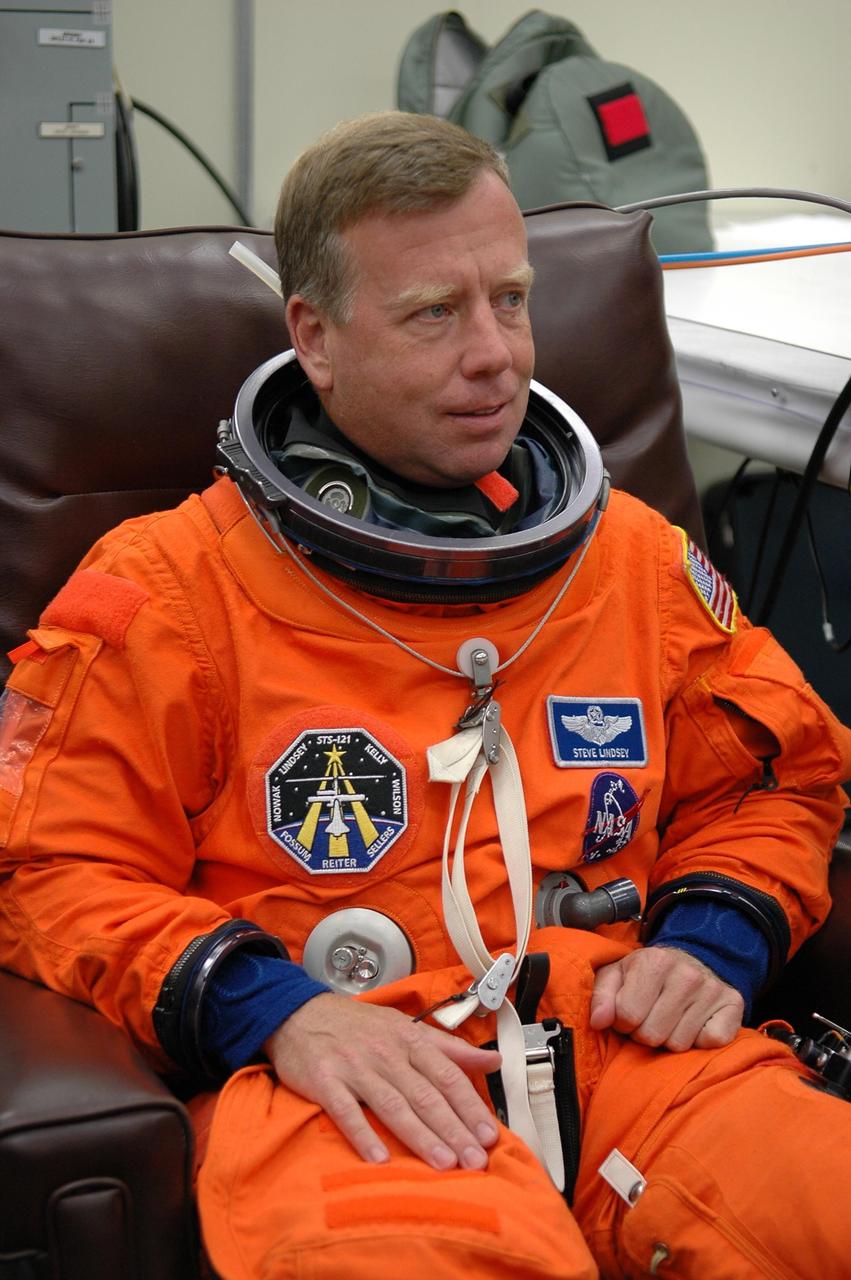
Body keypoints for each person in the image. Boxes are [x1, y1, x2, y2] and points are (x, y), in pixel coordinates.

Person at [1, 110, 850, 1280]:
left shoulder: (631, 562)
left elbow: (777, 776)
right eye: (433, 314)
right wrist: (270, 1008)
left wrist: (712, 936)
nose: (495, 353)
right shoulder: (167, 591)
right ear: (316, 336)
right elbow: (47, 864)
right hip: (350, 1078)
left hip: (632, 1053)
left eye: (510, 298)